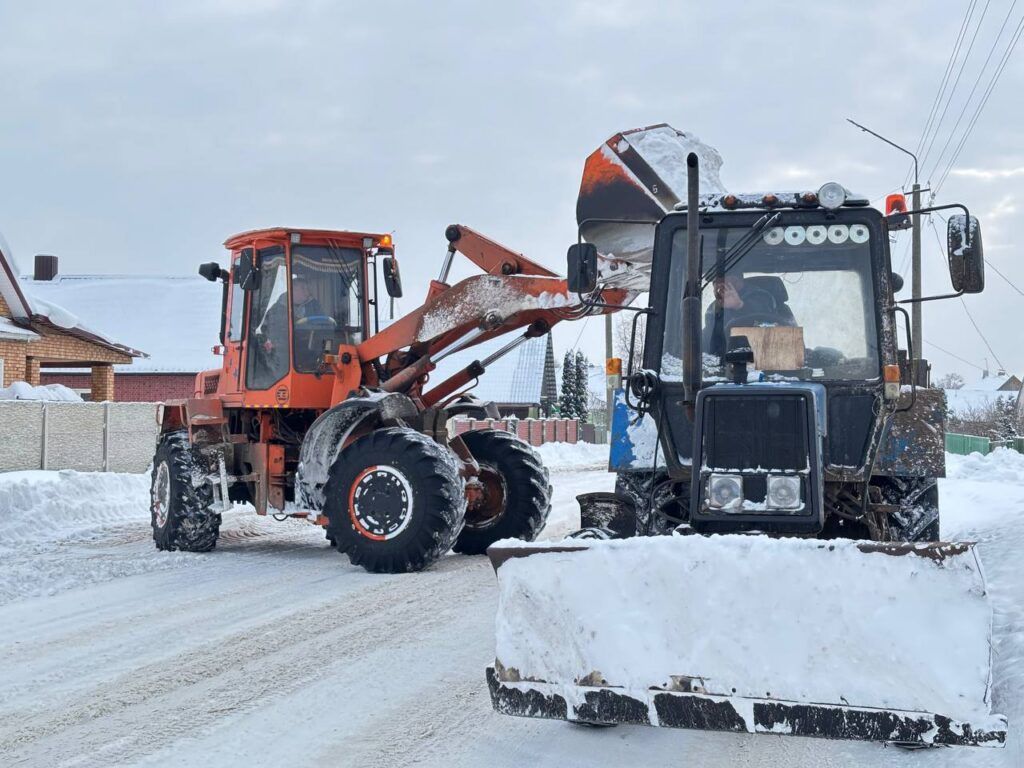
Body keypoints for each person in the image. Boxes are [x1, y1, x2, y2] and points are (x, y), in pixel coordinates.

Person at [703, 272, 795, 357]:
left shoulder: (761, 296)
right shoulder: (713, 308)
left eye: (721, 280)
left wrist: (739, 306)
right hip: (725, 365)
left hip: (767, 361)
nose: (717, 285)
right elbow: (708, 338)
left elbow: (765, 321)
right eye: (714, 281)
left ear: (736, 280)